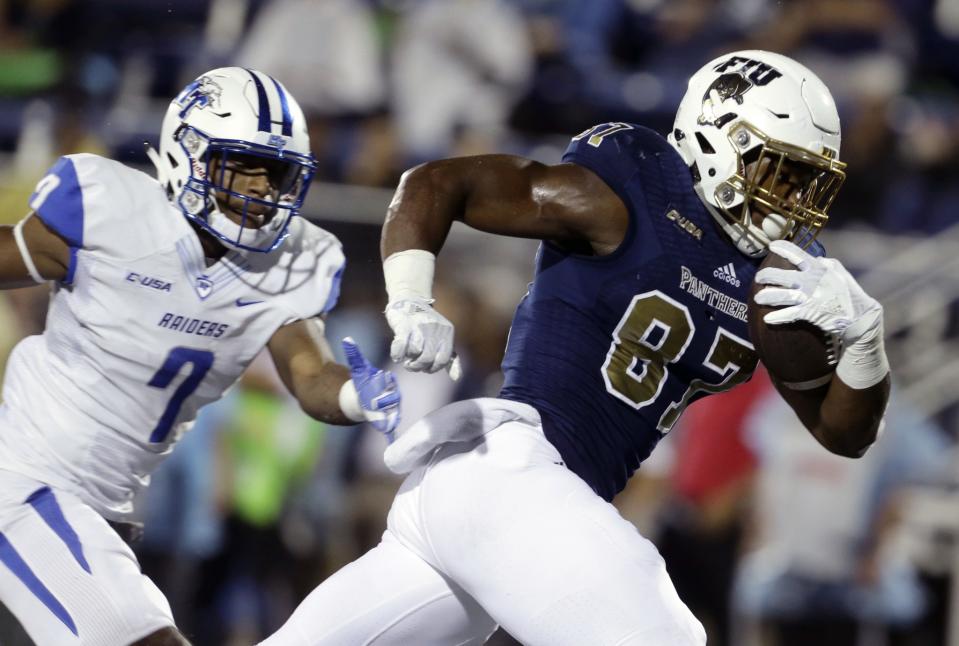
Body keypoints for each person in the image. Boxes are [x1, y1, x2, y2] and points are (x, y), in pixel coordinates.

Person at [262, 49, 891, 646]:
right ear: (720, 138)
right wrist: (410, 301)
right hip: (514, 471)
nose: (792, 201)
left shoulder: (779, 279)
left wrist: (865, 342)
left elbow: (844, 433)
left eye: (809, 183)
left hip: (499, 506)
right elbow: (435, 183)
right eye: (781, 171)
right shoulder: (627, 193)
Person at [0, 67, 400, 646]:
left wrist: (351, 394)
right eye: (244, 164)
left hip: (114, 509)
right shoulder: (110, 209)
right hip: (29, 483)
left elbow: (310, 373)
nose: (263, 188)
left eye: (278, 172)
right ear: (189, 151)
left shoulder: (292, 264)